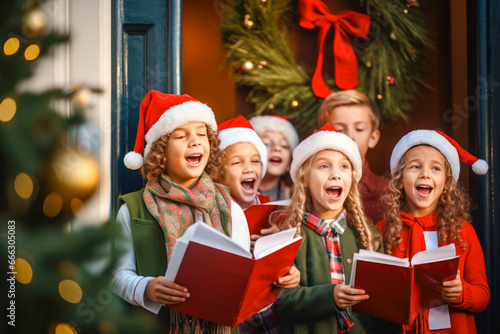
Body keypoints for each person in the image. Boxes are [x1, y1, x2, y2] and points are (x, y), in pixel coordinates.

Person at [111, 91, 295, 333]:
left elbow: (242, 290)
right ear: (160, 152)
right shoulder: (133, 209)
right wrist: (145, 288)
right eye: (181, 135)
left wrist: (276, 280)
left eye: (201, 134)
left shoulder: (230, 208)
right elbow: (115, 275)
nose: (195, 141)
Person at [272, 123, 383, 334]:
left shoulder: (369, 236)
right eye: (324, 166)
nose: (335, 174)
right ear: (304, 178)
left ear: (352, 177)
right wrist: (329, 296)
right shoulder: (288, 235)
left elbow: (380, 300)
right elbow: (281, 302)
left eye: (344, 166)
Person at [377, 129, 490, 333]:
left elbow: (482, 296)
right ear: (400, 180)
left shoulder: (463, 231)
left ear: (446, 183)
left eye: (435, 168)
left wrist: (461, 292)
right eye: (415, 166)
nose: (425, 173)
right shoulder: (382, 231)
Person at [317, 90, 388, 223]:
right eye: (339, 129)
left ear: (373, 137)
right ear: (319, 137)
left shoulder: (387, 193)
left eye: (359, 129)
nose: (349, 136)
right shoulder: (310, 189)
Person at [216, 115, 270, 209]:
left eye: (255, 161)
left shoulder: (270, 210)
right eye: (236, 162)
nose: (249, 169)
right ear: (218, 173)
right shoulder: (210, 213)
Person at [249, 115, 299, 201]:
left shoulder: (294, 198)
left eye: (284, 146)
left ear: (289, 164)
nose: (277, 148)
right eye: (266, 143)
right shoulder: (238, 196)